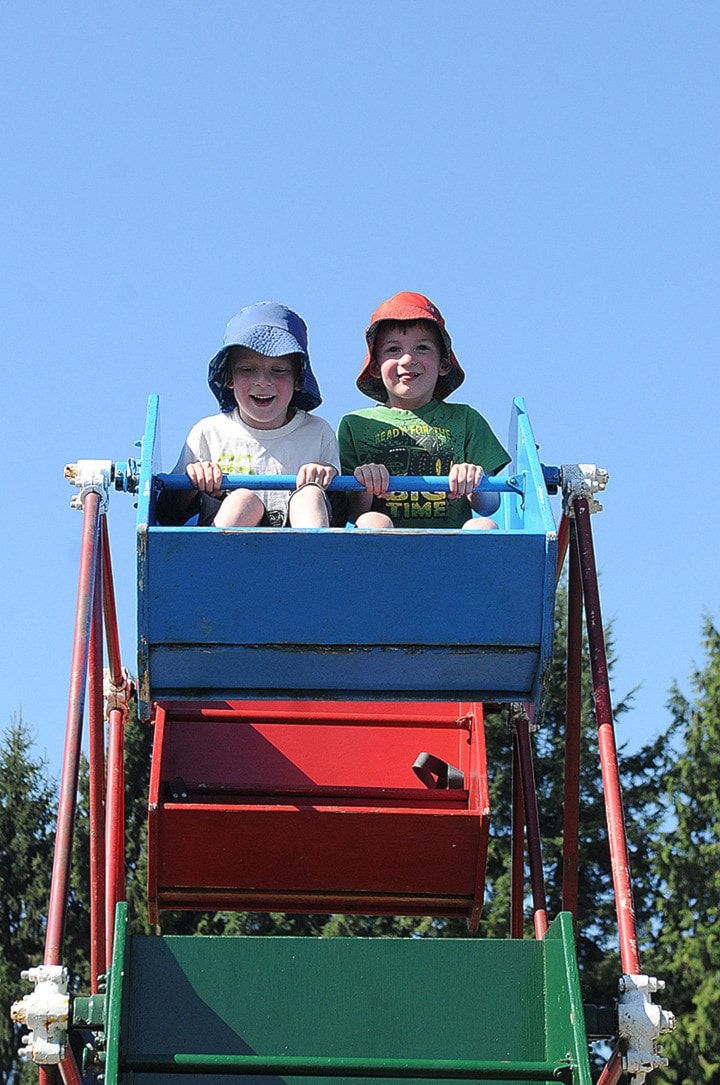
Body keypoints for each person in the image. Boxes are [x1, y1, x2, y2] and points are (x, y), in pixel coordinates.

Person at [337, 292, 510, 529]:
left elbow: (489, 506)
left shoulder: (466, 419)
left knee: (484, 526)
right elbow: (351, 512)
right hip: (384, 551)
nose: (407, 359)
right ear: (376, 367)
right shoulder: (355, 424)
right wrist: (365, 481)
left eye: (422, 347)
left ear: (443, 364)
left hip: (450, 548)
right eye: (393, 350)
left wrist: (474, 480)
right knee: (371, 521)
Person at [158, 302, 339, 528]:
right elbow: (167, 514)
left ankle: (312, 559)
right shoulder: (208, 433)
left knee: (309, 495)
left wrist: (326, 475)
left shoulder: (318, 432)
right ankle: (220, 560)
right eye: (247, 369)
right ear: (229, 378)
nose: (263, 381)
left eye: (279, 370)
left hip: (294, 550)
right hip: (229, 551)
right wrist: (194, 482)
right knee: (242, 500)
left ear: (299, 380)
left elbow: (343, 511)